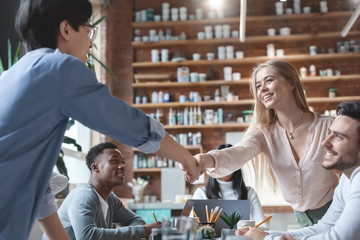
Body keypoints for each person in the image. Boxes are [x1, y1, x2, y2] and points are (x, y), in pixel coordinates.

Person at [0, 0, 199, 239]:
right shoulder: (59, 69)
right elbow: (126, 122)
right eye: (88, 30)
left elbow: (40, 193)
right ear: (65, 30)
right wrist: (185, 157)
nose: (91, 41)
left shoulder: (13, 76)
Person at [192, 59, 338, 227]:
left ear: (292, 82)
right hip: (303, 220)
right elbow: (238, 152)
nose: (263, 89)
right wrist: (205, 160)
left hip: (339, 211)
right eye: (258, 86)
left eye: (269, 80)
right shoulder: (264, 133)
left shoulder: (328, 126)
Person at [236, 101, 360, 239]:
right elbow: (324, 226)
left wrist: (267, 238)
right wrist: (268, 234)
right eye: (329, 133)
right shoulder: (346, 179)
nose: (325, 142)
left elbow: (340, 237)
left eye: (339, 137)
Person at [43, 142, 161, 240]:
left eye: (123, 162)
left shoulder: (110, 198)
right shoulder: (84, 195)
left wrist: (139, 230)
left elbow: (136, 220)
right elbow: (87, 237)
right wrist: (141, 231)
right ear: (95, 168)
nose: (122, 166)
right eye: (115, 161)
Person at [192, 144, 267, 229]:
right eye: (220, 163)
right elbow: (190, 227)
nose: (224, 167)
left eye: (228, 163)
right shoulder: (201, 193)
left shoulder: (249, 192)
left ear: (237, 166)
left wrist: (250, 231)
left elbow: (263, 226)